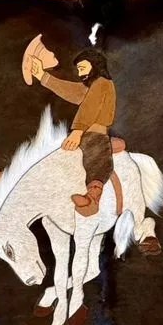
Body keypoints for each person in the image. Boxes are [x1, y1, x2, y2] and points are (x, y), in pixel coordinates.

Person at [31, 48, 116, 217]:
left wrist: (77, 131)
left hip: (96, 137)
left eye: (82, 68)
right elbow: (73, 91)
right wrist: (42, 76)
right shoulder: (91, 87)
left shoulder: (102, 83)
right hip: (86, 135)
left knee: (97, 164)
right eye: (78, 69)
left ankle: (92, 200)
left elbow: (90, 106)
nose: (80, 73)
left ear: (95, 66)